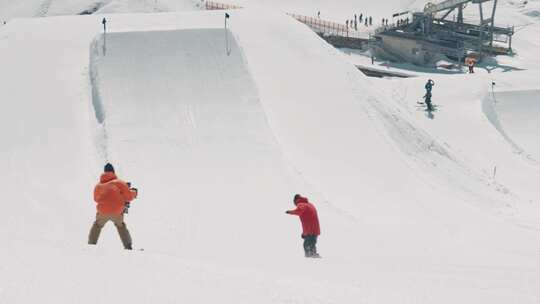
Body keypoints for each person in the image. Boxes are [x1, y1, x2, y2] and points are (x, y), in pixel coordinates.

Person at [88, 163, 138, 250]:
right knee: (121, 226)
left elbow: (96, 199)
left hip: (102, 211)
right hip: (117, 211)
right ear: (113, 171)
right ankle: (128, 246)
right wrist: (134, 192)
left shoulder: (98, 186)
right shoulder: (120, 183)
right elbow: (129, 197)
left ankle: (91, 245)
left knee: (97, 225)